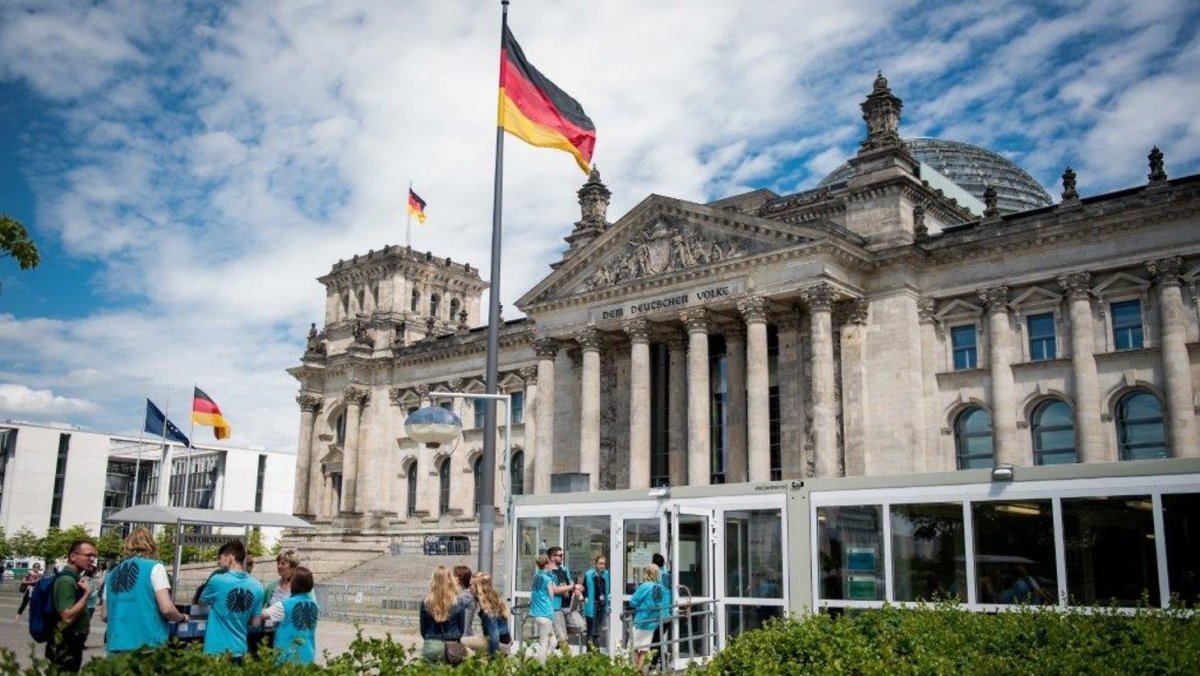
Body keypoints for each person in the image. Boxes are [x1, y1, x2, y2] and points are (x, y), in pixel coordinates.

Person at [100, 528, 188, 653]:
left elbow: (104, 615)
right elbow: (167, 609)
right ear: (151, 545)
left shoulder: (111, 574)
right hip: (147, 645)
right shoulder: (155, 567)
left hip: (116, 645)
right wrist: (182, 618)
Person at [200, 540, 264, 660]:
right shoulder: (258, 586)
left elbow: (201, 602)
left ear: (230, 557)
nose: (218, 562)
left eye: (220, 557)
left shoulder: (217, 580)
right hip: (240, 650)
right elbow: (255, 623)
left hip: (215, 652)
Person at [46, 540, 98, 673]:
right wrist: (87, 593)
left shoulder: (74, 578)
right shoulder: (67, 580)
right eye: (88, 555)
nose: (92, 559)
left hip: (71, 642)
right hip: (65, 643)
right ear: (73, 556)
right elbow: (67, 617)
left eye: (94, 556)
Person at [262, 566, 319, 665]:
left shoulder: (284, 605)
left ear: (294, 584)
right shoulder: (315, 606)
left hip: (287, 659)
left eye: (291, 580)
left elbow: (262, 614)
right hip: (307, 656)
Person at [529, 553, 574, 663]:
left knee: (553, 642)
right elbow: (552, 595)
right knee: (544, 642)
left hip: (536, 613)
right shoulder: (548, 579)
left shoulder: (536, 576)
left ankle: (546, 660)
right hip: (545, 613)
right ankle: (541, 666)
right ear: (546, 565)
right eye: (549, 563)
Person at [419, 565, 467, 664]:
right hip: (452, 644)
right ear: (451, 580)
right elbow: (461, 628)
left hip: (432, 644)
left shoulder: (426, 602)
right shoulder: (458, 601)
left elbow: (423, 628)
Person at [629, 563, 667, 671]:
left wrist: (635, 605)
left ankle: (637, 670)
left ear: (647, 573)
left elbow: (633, 601)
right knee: (645, 649)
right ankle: (639, 670)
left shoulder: (645, 586)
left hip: (641, 621)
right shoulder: (659, 587)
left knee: (634, 646)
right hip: (652, 622)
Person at [464, 572, 512, 656]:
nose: (469, 587)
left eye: (471, 585)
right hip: (505, 640)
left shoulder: (487, 608)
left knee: (461, 642)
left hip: (499, 643)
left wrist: (493, 658)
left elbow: (494, 636)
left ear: (478, 587)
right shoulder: (494, 598)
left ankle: (475, 660)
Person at [546, 546, 583, 653]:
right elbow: (554, 589)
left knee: (580, 626)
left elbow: (570, 581)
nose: (562, 557)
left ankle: (557, 632)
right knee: (563, 639)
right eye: (560, 555)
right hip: (556, 607)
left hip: (568, 605)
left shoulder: (564, 569)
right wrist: (572, 587)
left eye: (562, 555)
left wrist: (576, 589)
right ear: (552, 557)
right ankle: (569, 662)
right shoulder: (547, 572)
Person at [651, 552, 673, 668]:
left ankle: (654, 664)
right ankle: (663, 659)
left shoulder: (656, 577)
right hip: (667, 613)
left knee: (655, 640)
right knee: (657, 639)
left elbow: (655, 596)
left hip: (658, 614)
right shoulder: (667, 575)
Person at [583, 555, 610, 649]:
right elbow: (584, 590)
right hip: (592, 606)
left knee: (598, 633)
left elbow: (607, 590)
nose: (602, 566)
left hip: (602, 606)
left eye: (604, 564)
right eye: (600, 563)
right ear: (595, 563)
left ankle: (597, 655)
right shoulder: (589, 574)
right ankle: (590, 655)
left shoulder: (606, 574)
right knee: (590, 633)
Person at [453, 565, 479, 648]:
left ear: (459, 578)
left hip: (464, 638)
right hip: (462, 636)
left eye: (453, 576)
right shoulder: (464, 593)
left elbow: (449, 605)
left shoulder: (467, 595)